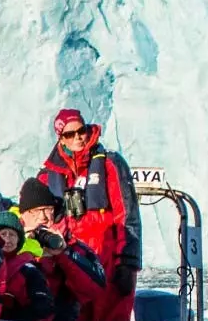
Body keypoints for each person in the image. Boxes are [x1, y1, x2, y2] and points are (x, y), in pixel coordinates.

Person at [35, 108, 141, 305]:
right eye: (70, 134)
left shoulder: (110, 164)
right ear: (61, 138)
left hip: (108, 262)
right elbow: (35, 220)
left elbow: (126, 214)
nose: (78, 138)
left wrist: (127, 261)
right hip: (69, 264)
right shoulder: (46, 176)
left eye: (81, 131)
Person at [13, 176, 115, 321]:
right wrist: (21, 248)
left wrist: (64, 254)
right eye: (34, 211)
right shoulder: (10, 242)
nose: (42, 217)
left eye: (47, 209)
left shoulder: (71, 244)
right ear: (23, 215)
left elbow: (95, 289)